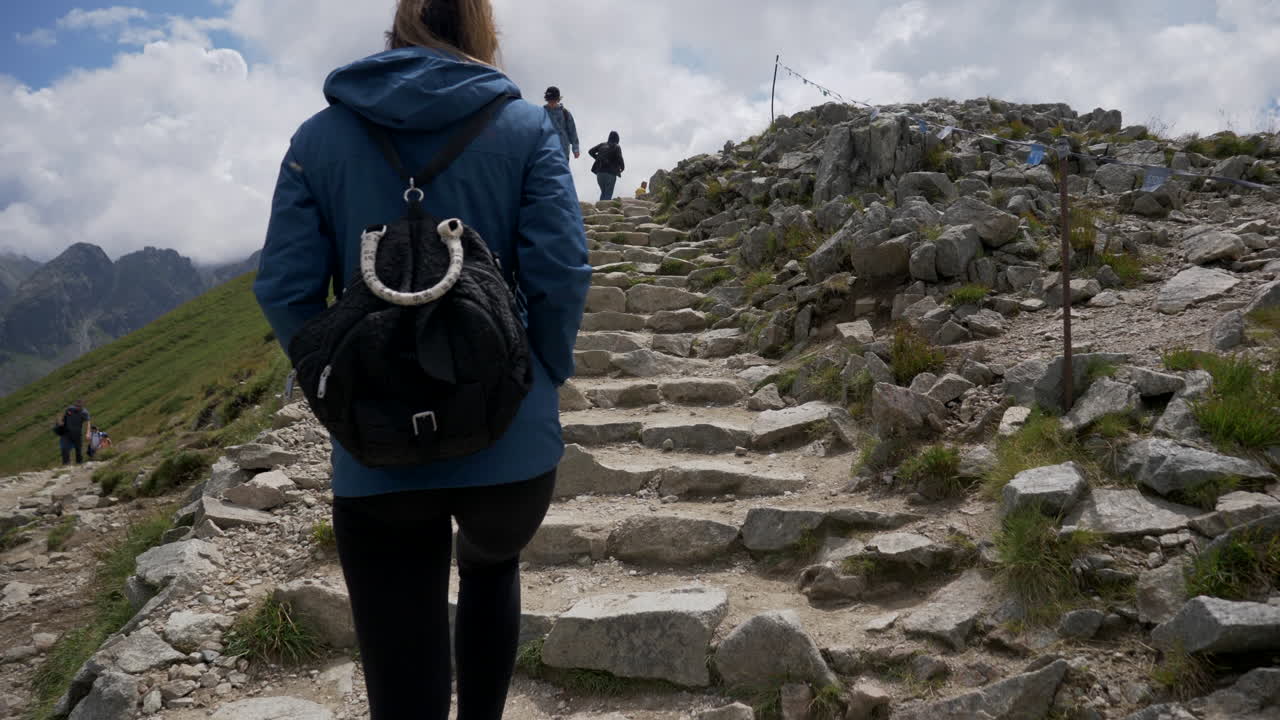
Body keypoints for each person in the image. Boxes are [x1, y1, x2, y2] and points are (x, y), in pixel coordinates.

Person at [251, 1, 591, 718]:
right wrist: (546, 374)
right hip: (511, 440)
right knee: (493, 569)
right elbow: (561, 271)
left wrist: (335, 385)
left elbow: (285, 288)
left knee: (399, 655)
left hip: (378, 447)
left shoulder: (318, 138)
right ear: (480, 32)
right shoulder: (528, 127)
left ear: (399, 30)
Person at [542, 86, 579, 161]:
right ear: (546, 99)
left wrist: (576, 149)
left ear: (558, 99)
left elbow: (572, 131)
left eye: (554, 100)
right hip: (545, 151)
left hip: (563, 151)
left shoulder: (565, 113)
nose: (551, 102)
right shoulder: (541, 112)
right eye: (549, 100)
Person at [587, 131, 625, 202]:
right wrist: (622, 168)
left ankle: (600, 208)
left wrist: (598, 158)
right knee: (608, 193)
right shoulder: (616, 146)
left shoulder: (602, 145)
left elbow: (590, 151)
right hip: (610, 173)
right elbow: (620, 158)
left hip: (600, 173)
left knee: (604, 192)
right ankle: (604, 210)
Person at [56, 400, 90, 465]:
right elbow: (64, 417)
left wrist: (88, 432)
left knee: (78, 450)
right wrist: (60, 423)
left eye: (79, 406)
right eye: (76, 406)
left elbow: (88, 423)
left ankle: (79, 464)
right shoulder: (69, 409)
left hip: (77, 434)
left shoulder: (84, 413)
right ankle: (66, 464)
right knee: (64, 448)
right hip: (67, 433)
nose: (77, 407)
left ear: (82, 406)